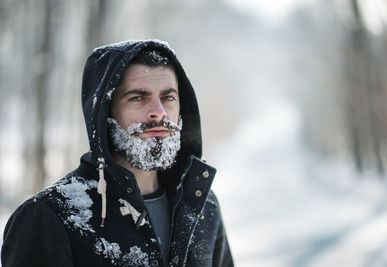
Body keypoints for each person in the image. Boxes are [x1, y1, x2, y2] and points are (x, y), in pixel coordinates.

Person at [1, 40, 234, 267]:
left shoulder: (201, 205)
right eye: (138, 98)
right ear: (105, 113)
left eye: (168, 98)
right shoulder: (49, 217)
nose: (159, 112)